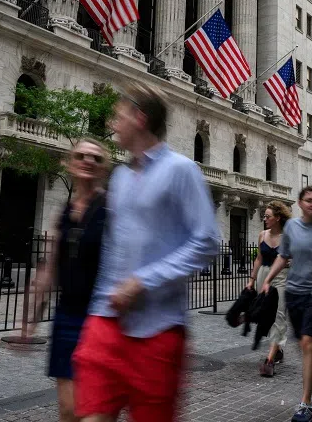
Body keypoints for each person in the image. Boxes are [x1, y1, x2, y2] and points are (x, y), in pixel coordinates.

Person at [72, 82, 220, 422]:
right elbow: (114, 246)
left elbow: (207, 241)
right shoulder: (120, 177)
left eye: (117, 116)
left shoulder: (181, 170)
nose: (111, 124)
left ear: (139, 119)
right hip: (105, 321)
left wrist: (143, 281)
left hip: (157, 329)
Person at [30, 139, 110, 422]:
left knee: (95, 411)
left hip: (102, 318)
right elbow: (50, 266)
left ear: (104, 168)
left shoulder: (111, 210)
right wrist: (31, 318)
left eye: (96, 158)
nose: (88, 161)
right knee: (68, 410)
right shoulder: (63, 213)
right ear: (69, 163)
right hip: (66, 316)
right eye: (82, 156)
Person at [262, 185, 312, 422]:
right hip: (295, 293)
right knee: (305, 347)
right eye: (309, 200)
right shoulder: (292, 229)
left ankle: (305, 404)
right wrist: (267, 279)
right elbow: (283, 256)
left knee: (308, 343)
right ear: (299, 202)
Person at [246, 200, 291, 376]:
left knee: (279, 314)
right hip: (263, 275)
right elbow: (258, 259)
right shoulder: (262, 235)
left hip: (281, 276)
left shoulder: (288, 237)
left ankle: (270, 360)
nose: (264, 219)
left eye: (268, 216)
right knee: (267, 315)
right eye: (264, 216)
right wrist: (251, 279)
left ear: (278, 218)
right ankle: (277, 347)